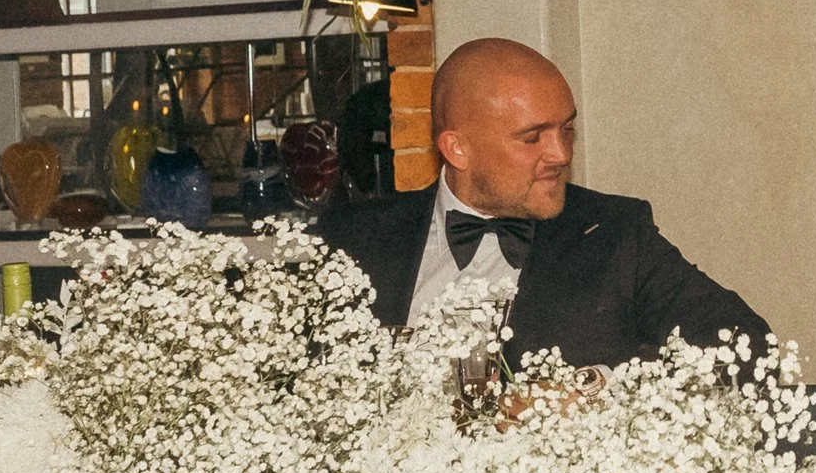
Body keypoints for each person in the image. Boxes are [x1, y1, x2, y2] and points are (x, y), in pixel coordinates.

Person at [314, 37, 767, 371]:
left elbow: (748, 343)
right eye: (533, 137)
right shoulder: (352, 240)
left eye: (566, 129)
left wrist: (598, 391)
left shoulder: (615, 234)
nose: (561, 155)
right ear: (457, 150)